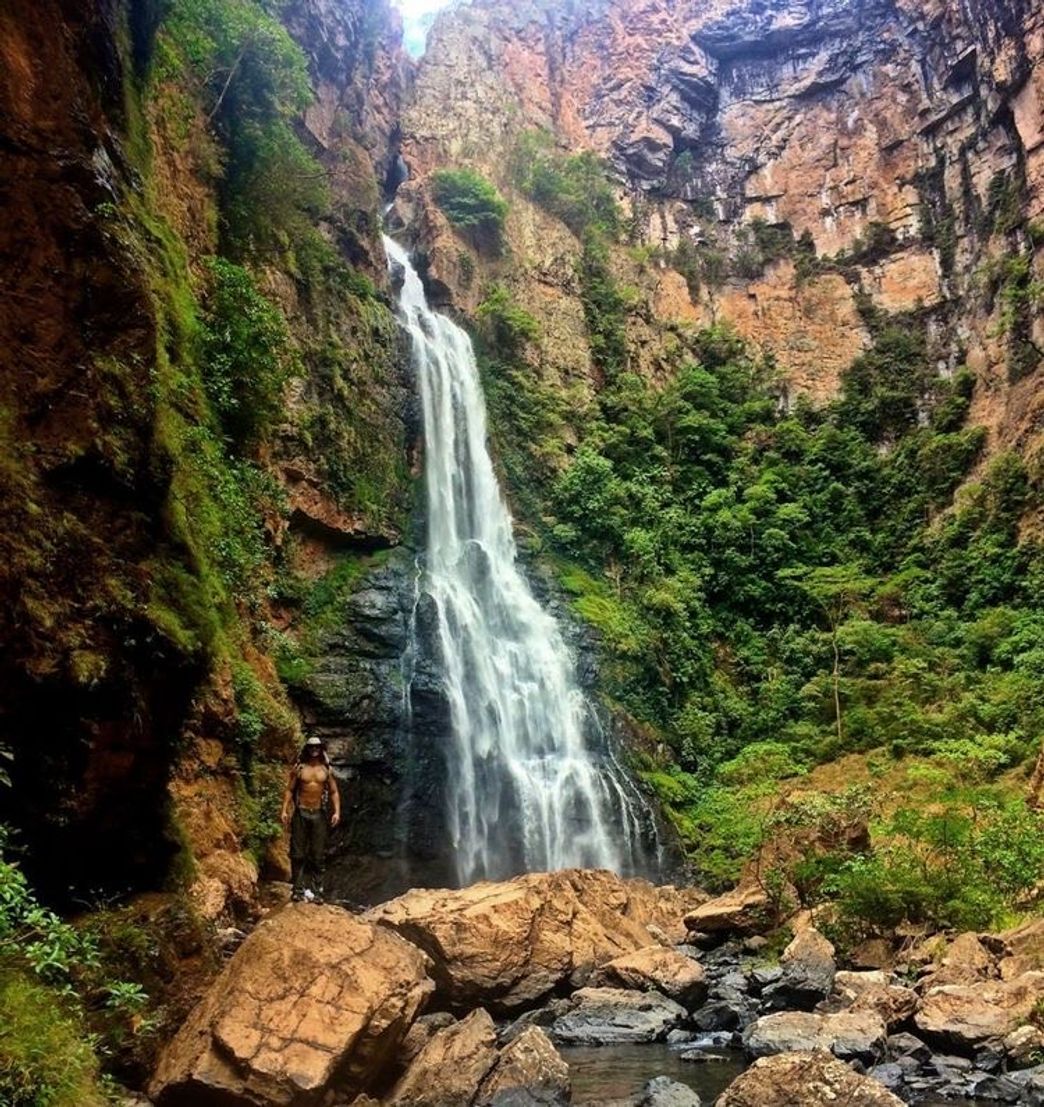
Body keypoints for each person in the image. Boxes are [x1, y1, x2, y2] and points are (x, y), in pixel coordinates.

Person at [281, 735, 340, 903]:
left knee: (318, 854)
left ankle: (318, 891)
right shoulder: (299, 769)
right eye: (311, 747)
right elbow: (290, 790)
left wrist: (336, 812)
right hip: (301, 812)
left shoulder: (326, 770)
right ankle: (298, 890)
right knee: (298, 853)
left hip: (319, 814)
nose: (314, 750)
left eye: (317, 747)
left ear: (321, 749)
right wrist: (284, 809)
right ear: (307, 749)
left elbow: (334, 791)